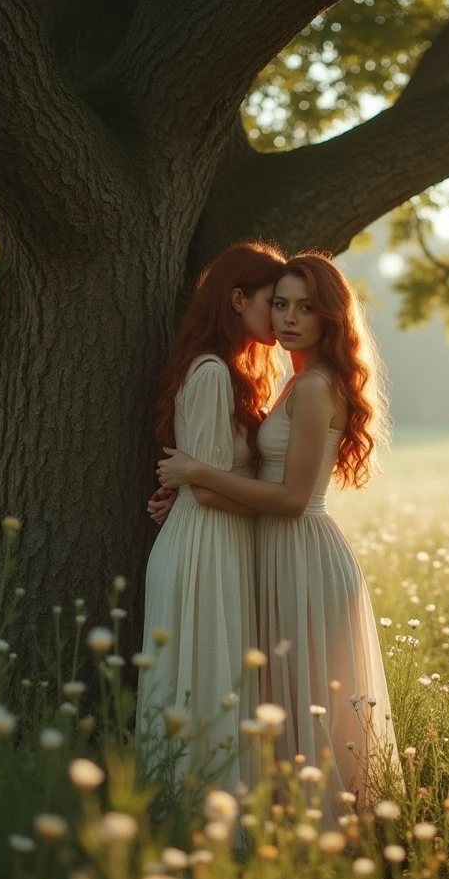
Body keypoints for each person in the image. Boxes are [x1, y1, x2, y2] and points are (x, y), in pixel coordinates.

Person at [158, 252, 399, 821]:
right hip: (274, 550)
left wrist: (196, 475)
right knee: (284, 704)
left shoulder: (315, 386)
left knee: (310, 706)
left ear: (329, 318)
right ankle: (290, 832)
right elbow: (258, 479)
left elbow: (293, 499)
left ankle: (333, 842)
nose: (289, 318)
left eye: (305, 307)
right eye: (283, 304)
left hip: (303, 553)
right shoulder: (295, 382)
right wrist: (189, 491)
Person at [136, 241, 285, 797]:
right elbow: (205, 484)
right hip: (205, 547)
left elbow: (202, 477)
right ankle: (194, 813)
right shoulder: (212, 374)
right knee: (204, 680)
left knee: (217, 681)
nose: (280, 316)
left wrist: (190, 488)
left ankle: (213, 809)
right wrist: (290, 506)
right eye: (273, 301)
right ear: (238, 297)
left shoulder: (230, 372)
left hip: (216, 538)